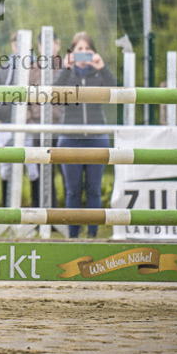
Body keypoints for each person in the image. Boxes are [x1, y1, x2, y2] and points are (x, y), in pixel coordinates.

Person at [54, 31, 117, 239]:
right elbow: (54, 94)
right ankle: (73, 235)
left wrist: (103, 67)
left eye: (86, 49)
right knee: (72, 190)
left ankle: (92, 234)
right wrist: (66, 68)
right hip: (69, 137)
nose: (82, 53)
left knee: (93, 189)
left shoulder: (99, 74)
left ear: (93, 52)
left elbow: (116, 91)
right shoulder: (66, 74)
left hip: (96, 137)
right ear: (72, 52)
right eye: (78, 49)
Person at [0, 31, 59, 207]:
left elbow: (31, 97)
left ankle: (38, 209)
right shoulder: (4, 68)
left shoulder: (35, 67)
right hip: (5, 124)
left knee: (34, 168)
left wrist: (29, 118)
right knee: (6, 168)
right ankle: (7, 209)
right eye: (15, 45)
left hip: (28, 125)